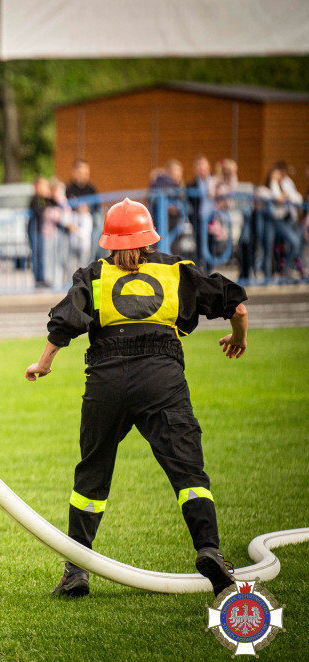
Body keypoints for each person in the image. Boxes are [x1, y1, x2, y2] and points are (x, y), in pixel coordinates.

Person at [25, 198, 248, 599]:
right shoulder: (176, 270)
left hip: (106, 382)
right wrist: (238, 337)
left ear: (108, 240)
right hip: (162, 377)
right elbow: (238, 307)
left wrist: (43, 364)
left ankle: (77, 568)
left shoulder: (93, 274)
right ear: (150, 238)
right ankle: (209, 549)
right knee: (187, 471)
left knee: (92, 474)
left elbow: (64, 324)